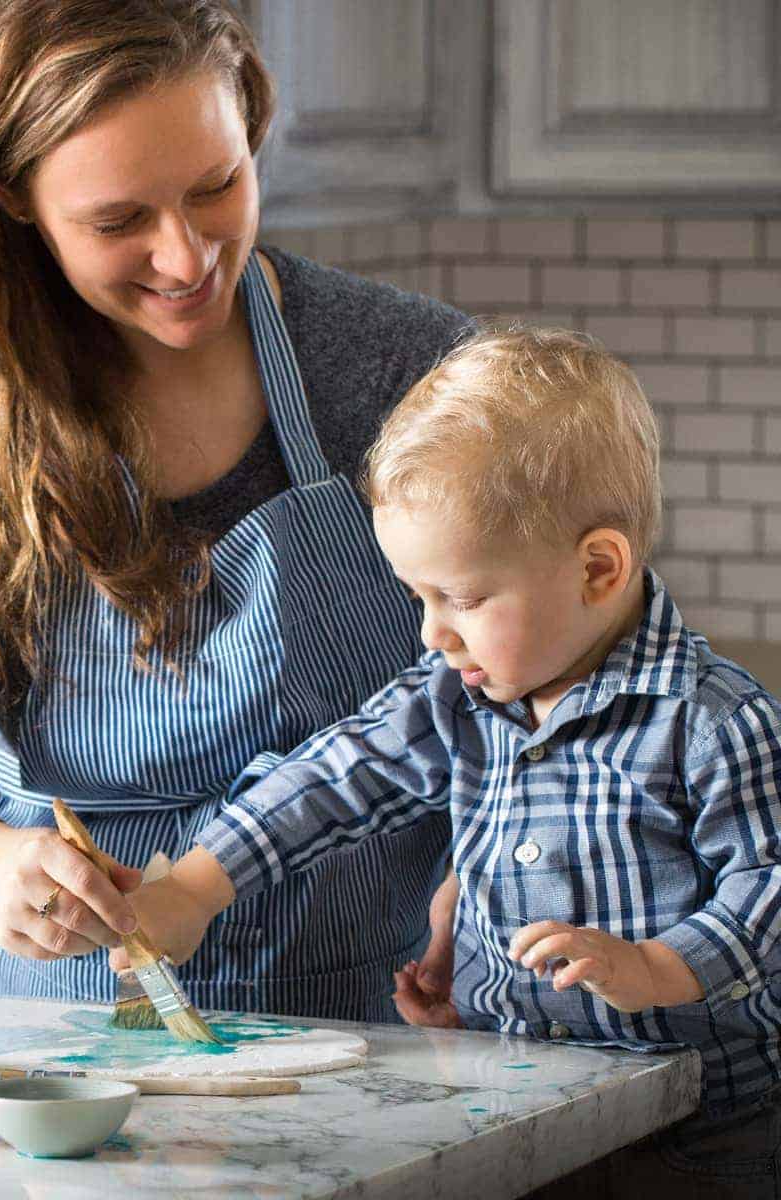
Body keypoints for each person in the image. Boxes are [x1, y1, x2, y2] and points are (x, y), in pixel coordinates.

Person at [0, 0, 472, 1020]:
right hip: (29, 1036)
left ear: (252, 124)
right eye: (118, 222)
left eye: (218, 186)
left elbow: (579, 675)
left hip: (376, 1026)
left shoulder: (408, 373)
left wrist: (493, 878)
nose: (188, 258)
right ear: (11, 197)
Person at [125, 328, 781, 1193]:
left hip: (703, 1133)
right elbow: (334, 778)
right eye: (419, 596)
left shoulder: (712, 723)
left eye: (464, 598)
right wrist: (195, 888)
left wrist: (658, 968)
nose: (434, 632)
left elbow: (768, 888)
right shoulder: (456, 693)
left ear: (597, 568)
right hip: (519, 1104)